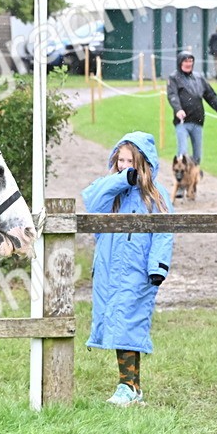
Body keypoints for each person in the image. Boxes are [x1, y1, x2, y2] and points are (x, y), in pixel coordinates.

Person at [81, 132, 173, 407]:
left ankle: (128, 387)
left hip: (137, 271)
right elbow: (90, 201)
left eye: (129, 161)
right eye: (119, 160)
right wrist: (121, 180)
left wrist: (158, 266)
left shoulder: (155, 196)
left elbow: (164, 233)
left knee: (129, 326)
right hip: (110, 270)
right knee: (118, 324)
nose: (123, 165)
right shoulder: (111, 192)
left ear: (142, 162)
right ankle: (131, 387)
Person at [166, 51, 217, 174]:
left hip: (198, 121)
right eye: (185, 61)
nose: (188, 64)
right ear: (180, 63)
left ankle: (192, 181)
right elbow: (172, 95)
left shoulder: (199, 78)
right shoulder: (174, 78)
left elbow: (210, 95)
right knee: (182, 154)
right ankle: (180, 183)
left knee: (197, 156)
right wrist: (178, 109)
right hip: (182, 122)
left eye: (190, 61)